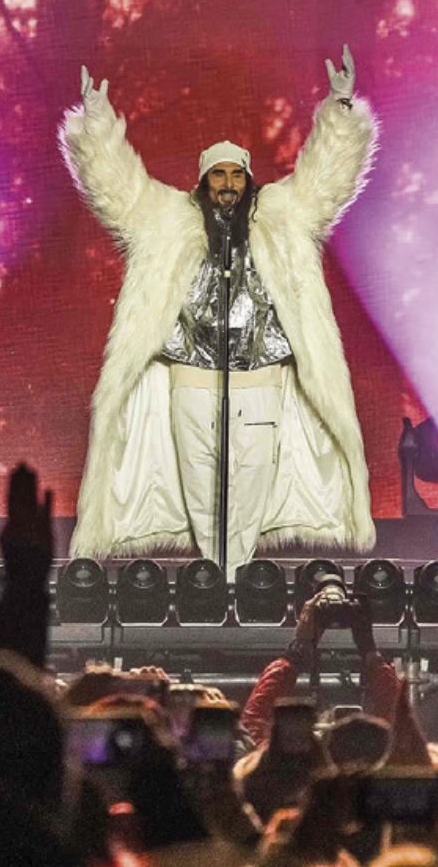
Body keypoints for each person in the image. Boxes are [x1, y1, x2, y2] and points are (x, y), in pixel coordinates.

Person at [61, 52, 377, 565]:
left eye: (236, 175)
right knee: (202, 491)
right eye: (218, 175)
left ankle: (235, 579)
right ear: (203, 181)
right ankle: (215, 581)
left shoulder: (284, 215)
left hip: (261, 381)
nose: (228, 184)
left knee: (251, 486)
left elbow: (327, 178)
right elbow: (116, 187)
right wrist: (96, 123)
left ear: (249, 179)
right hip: (191, 379)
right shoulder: (165, 217)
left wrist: (340, 109)